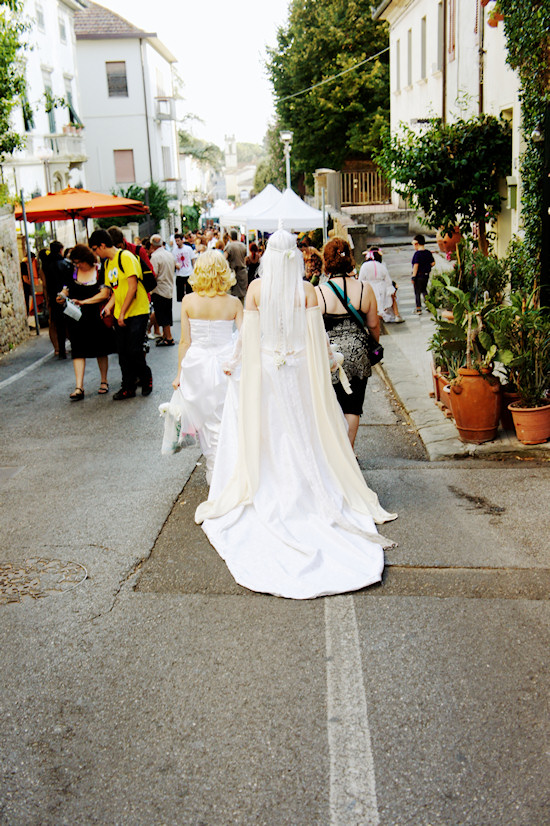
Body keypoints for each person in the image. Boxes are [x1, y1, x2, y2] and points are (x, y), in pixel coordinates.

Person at [194, 229, 396, 600]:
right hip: (299, 372)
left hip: (270, 372)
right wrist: (330, 364)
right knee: (304, 430)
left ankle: (272, 482)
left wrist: (235, 362)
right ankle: (308, 486)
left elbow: (248, 338)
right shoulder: (305, 291)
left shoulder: (255, 290)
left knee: (272, 432)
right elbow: (317, 339)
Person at [159, 250, 243, 483]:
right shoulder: (234, 303)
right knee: (227, 418)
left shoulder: (188, 301)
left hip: (196, 366)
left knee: (205, 421)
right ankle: (229, 468)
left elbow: (185, 341)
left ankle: (214, 470)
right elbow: (245, 337)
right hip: (226, 364)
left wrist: (179, 375)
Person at [316, 238, 380, 448]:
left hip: (329, 355)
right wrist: (372, 347)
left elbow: (313, 328)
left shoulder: (319, 292)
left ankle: (334, 454)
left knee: (330, 404)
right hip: (357, 353)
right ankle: (348, 451)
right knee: (353, 407)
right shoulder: (365, 289)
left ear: (326, 261)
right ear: (350, 259)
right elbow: (373, 325)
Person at [88, 229, 152, 400]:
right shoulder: (108, 263)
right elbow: (116, 291)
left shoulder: (125, 257)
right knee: (122, 352)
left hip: (137, 311)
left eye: (95, 249)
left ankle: (146, 378)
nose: (95, 253)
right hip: (120, 312)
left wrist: (122, 312)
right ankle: (127, 386)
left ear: (102, 245)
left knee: (134, 349)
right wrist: (109, 307)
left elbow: (132, 287)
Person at [56, 244, 115, 400]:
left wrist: (85, 302)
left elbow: (104, 294)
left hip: (96, 316)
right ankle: (79, 387)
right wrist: (61, 295)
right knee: (78, 350)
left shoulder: (100, 271)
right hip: (77, 318)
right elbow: (66, 289)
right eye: (75, 262)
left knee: (100, 350)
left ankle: (104, 381)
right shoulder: (72, 272)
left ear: (86, 259)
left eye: (79, 262)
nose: (77, 265)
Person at [40, 241, 73, 358]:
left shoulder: (47, 266)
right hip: (66, 296)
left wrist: (48, 297)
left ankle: (61, 350)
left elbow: (45, 284)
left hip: (54, 297)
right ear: (60, 250)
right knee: (69, 322)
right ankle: (74, 347)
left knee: (57, 324)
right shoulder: (66, 264)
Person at [358, 247, 403, 323]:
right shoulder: (381, 266)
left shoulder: (365, 266)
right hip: (382, 287)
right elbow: (387, 279)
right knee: (388, 299)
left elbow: (361, 279)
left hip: (369, 287)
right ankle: (396, 315)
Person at [149, 234, 176, 346]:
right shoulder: (169, 254)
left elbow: (153, 274)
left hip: (159, 289)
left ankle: (168, 337)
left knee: (161, 314)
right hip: (169, 287)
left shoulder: (155, 257)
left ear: (152, 245)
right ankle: (166, 335)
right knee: (166, 313)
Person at [411, 234, 435, 314]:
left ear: (417, 244)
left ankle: (418, 308)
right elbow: (433, 263)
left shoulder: (417, 254)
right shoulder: (428, 252)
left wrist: (413, 276)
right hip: (426, 275)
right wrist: (427, 266)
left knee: (417, 291)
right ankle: (429, 306)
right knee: (424, 290)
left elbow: (416, 265)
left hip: (418, 275)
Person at [172, 234, 198, 301]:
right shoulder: (174, 251)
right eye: (176, 241)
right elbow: (173, 261)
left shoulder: (188, 249)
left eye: (178, 240)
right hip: (180, 274)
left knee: (190, 293)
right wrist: (175, 265)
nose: (177, 243)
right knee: (180, 295)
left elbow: (193, 259)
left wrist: (194, 270)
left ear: (182, 240)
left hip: (188, 273)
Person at [224, 229, 248, 300]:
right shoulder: (243, 245)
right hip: (243, 272)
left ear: (229, 236)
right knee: (242, 296)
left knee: (232, 296)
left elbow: (223, 259)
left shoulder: (229, 246)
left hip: (233, 273)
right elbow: (245, 258)